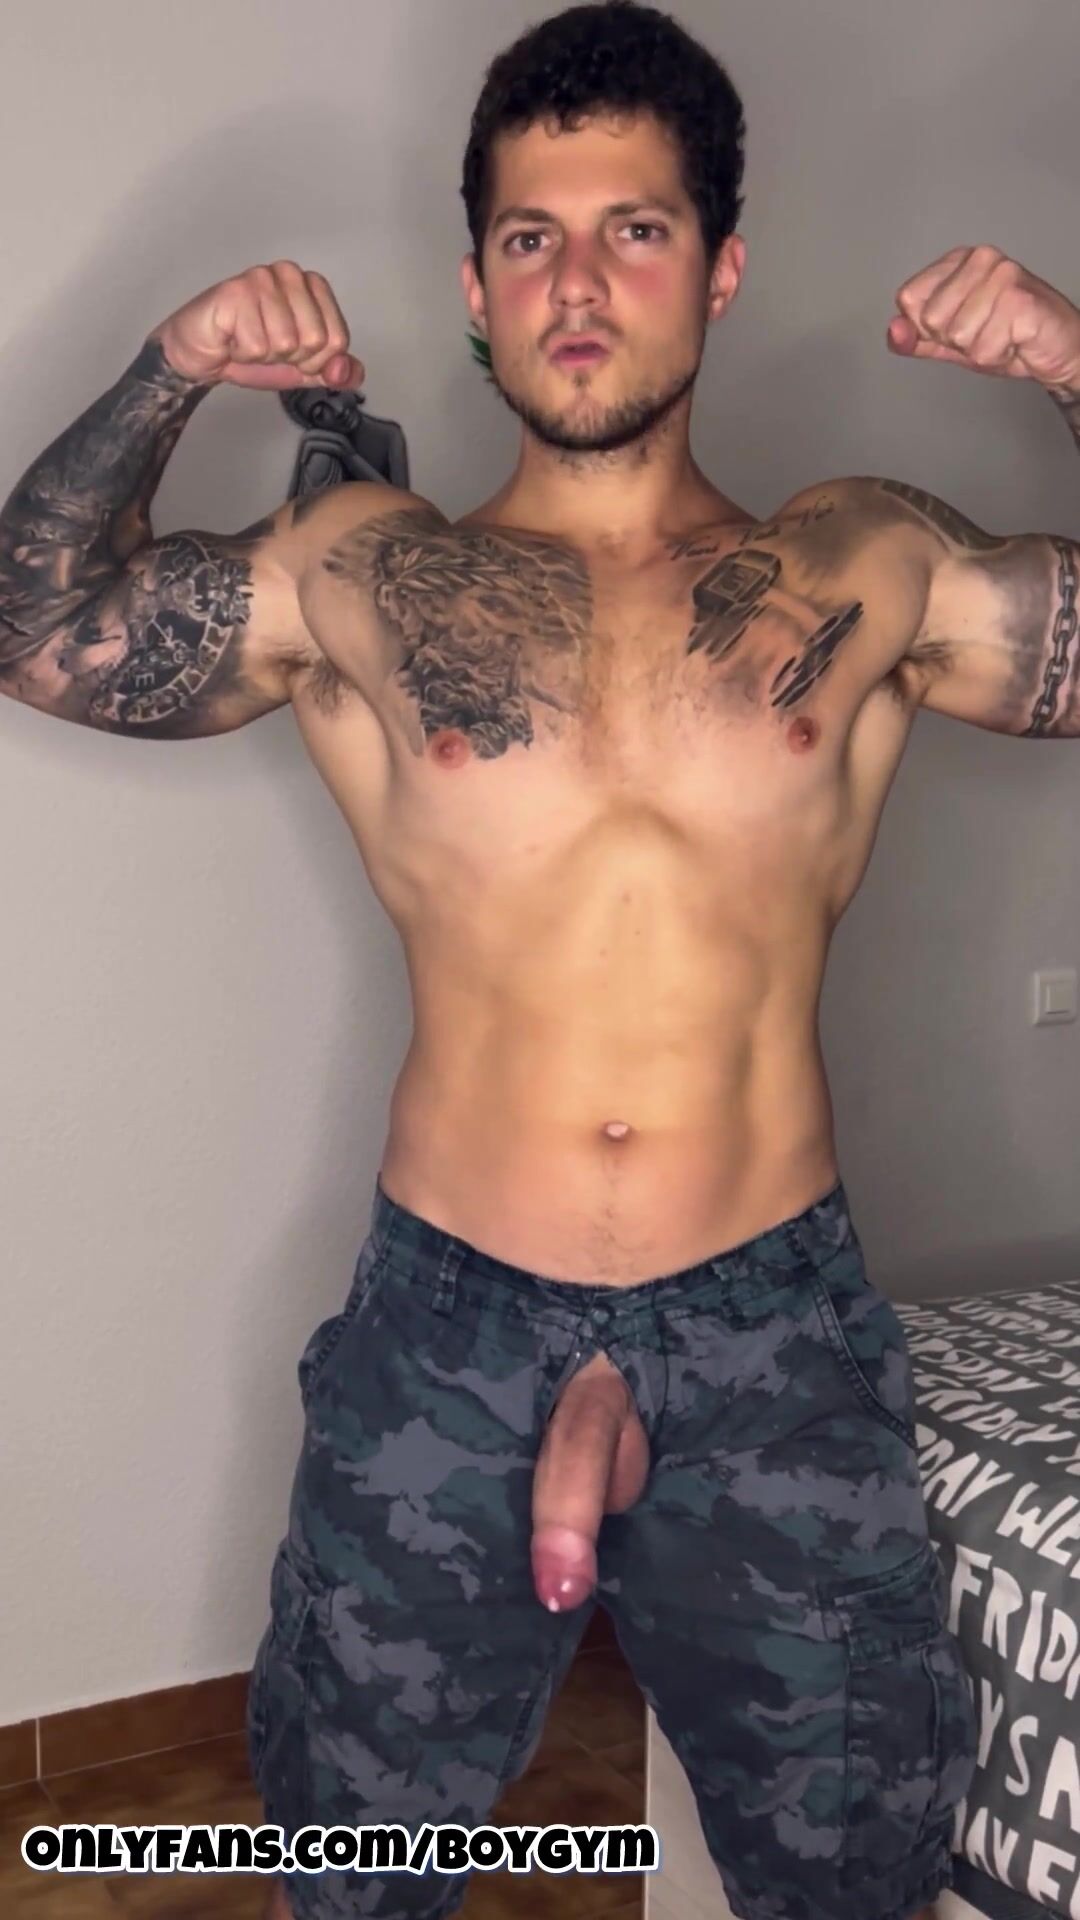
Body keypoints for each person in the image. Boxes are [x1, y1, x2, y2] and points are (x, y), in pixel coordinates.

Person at [3, 2, 1080, 1916]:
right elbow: (42, 630)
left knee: (851, 1868)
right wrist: (172, 370)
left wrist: (1074, 361)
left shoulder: (862, 566)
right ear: (478, 289)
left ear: (720, 271)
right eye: (530, 238)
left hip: (773, 1329)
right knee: (358, 1862)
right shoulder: (359, 569)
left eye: (635, 231)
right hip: (448, 1320)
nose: (578, 285)